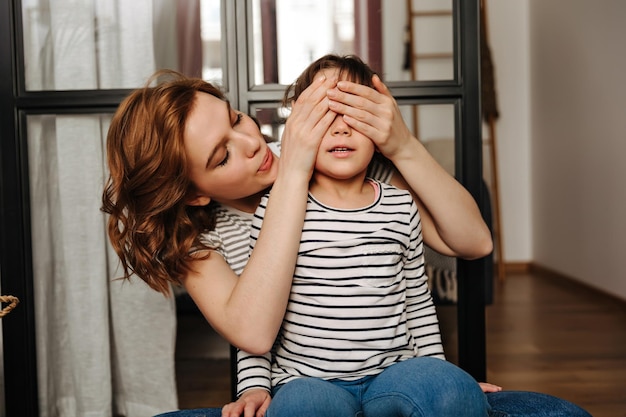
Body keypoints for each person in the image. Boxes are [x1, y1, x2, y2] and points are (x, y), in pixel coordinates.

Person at [102, 62, 590, 417]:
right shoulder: (198, 240)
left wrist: (402, 145)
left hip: (392, 373)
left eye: (235, 119)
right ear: (193, 195)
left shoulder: (339, 161)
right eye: (221, 156)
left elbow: (472, 243)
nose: (253, 143)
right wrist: (293, 172)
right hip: (307, 387)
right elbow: (253, 334)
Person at [227, 54, 492, 417]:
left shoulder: (401, 205)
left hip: (395, 373)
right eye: (324, 116)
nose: (341, 129)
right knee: (299, 408)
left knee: (453, 392)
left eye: (354, 112)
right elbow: (256, 314)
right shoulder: (278, 211)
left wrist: (439, 374)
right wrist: (254, 386)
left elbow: (418, 303)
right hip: (307, 381)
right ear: (298, 128)